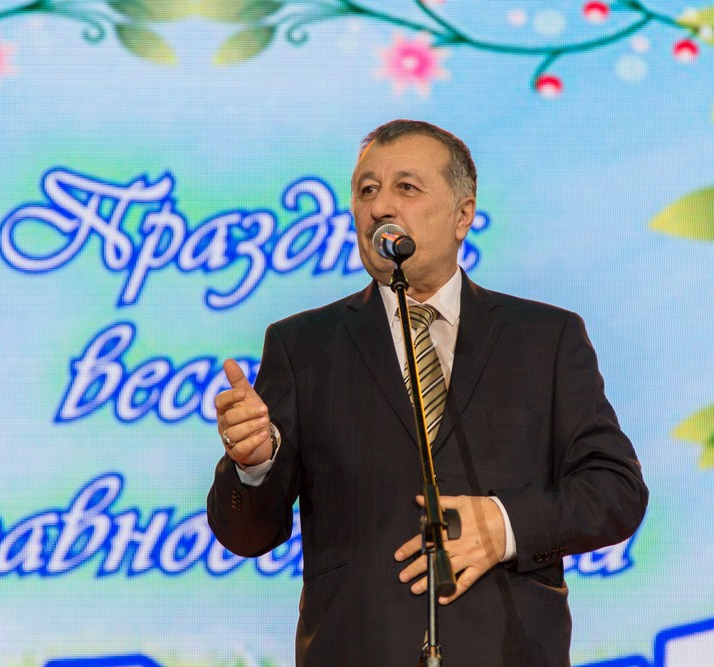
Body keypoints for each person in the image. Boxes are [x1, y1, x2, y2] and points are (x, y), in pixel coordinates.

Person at [207, 120, 648, 666]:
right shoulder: (303, 346)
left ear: (463, 214)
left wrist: (506, 525)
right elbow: (246, 535)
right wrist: (254, 466)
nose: (379, 207)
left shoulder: (545, 339)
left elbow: (616, 491)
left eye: (406, 188)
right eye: (366, 190)